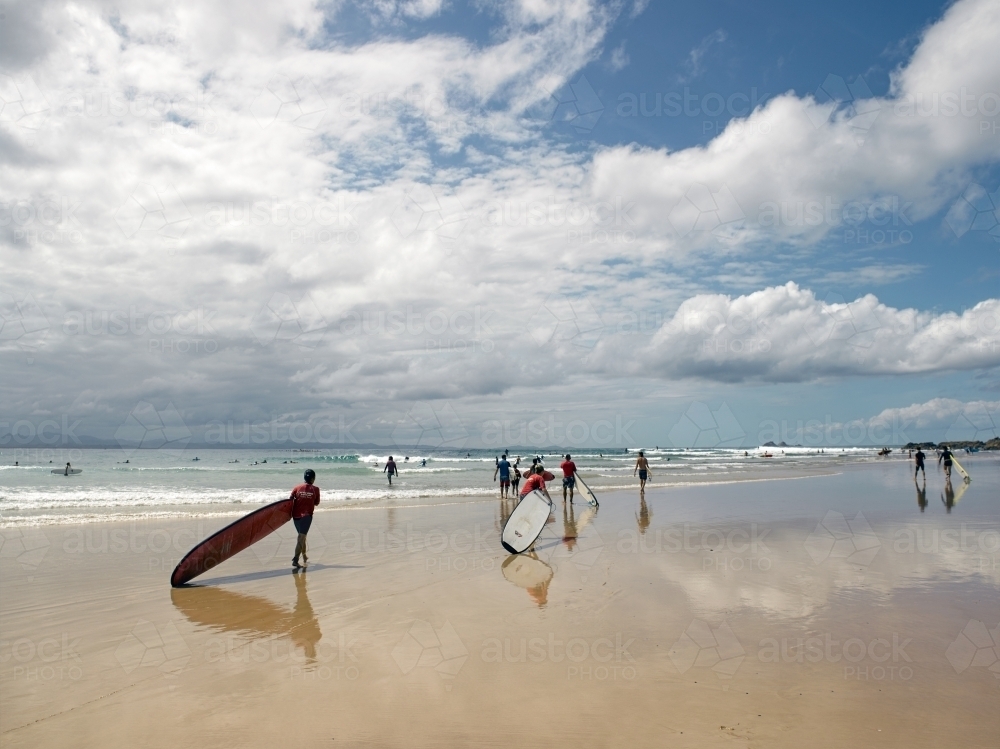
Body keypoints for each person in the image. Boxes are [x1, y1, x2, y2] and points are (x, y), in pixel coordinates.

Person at [290, 469, 320, 569]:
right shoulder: (315, 489)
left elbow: (289, 501)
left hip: (295, 516)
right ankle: (295, 560)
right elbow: (316, 503)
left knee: (302, 537)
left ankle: (304, 557)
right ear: (313, 478)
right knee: (301, 537)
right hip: (306, 517)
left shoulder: (296, 487)